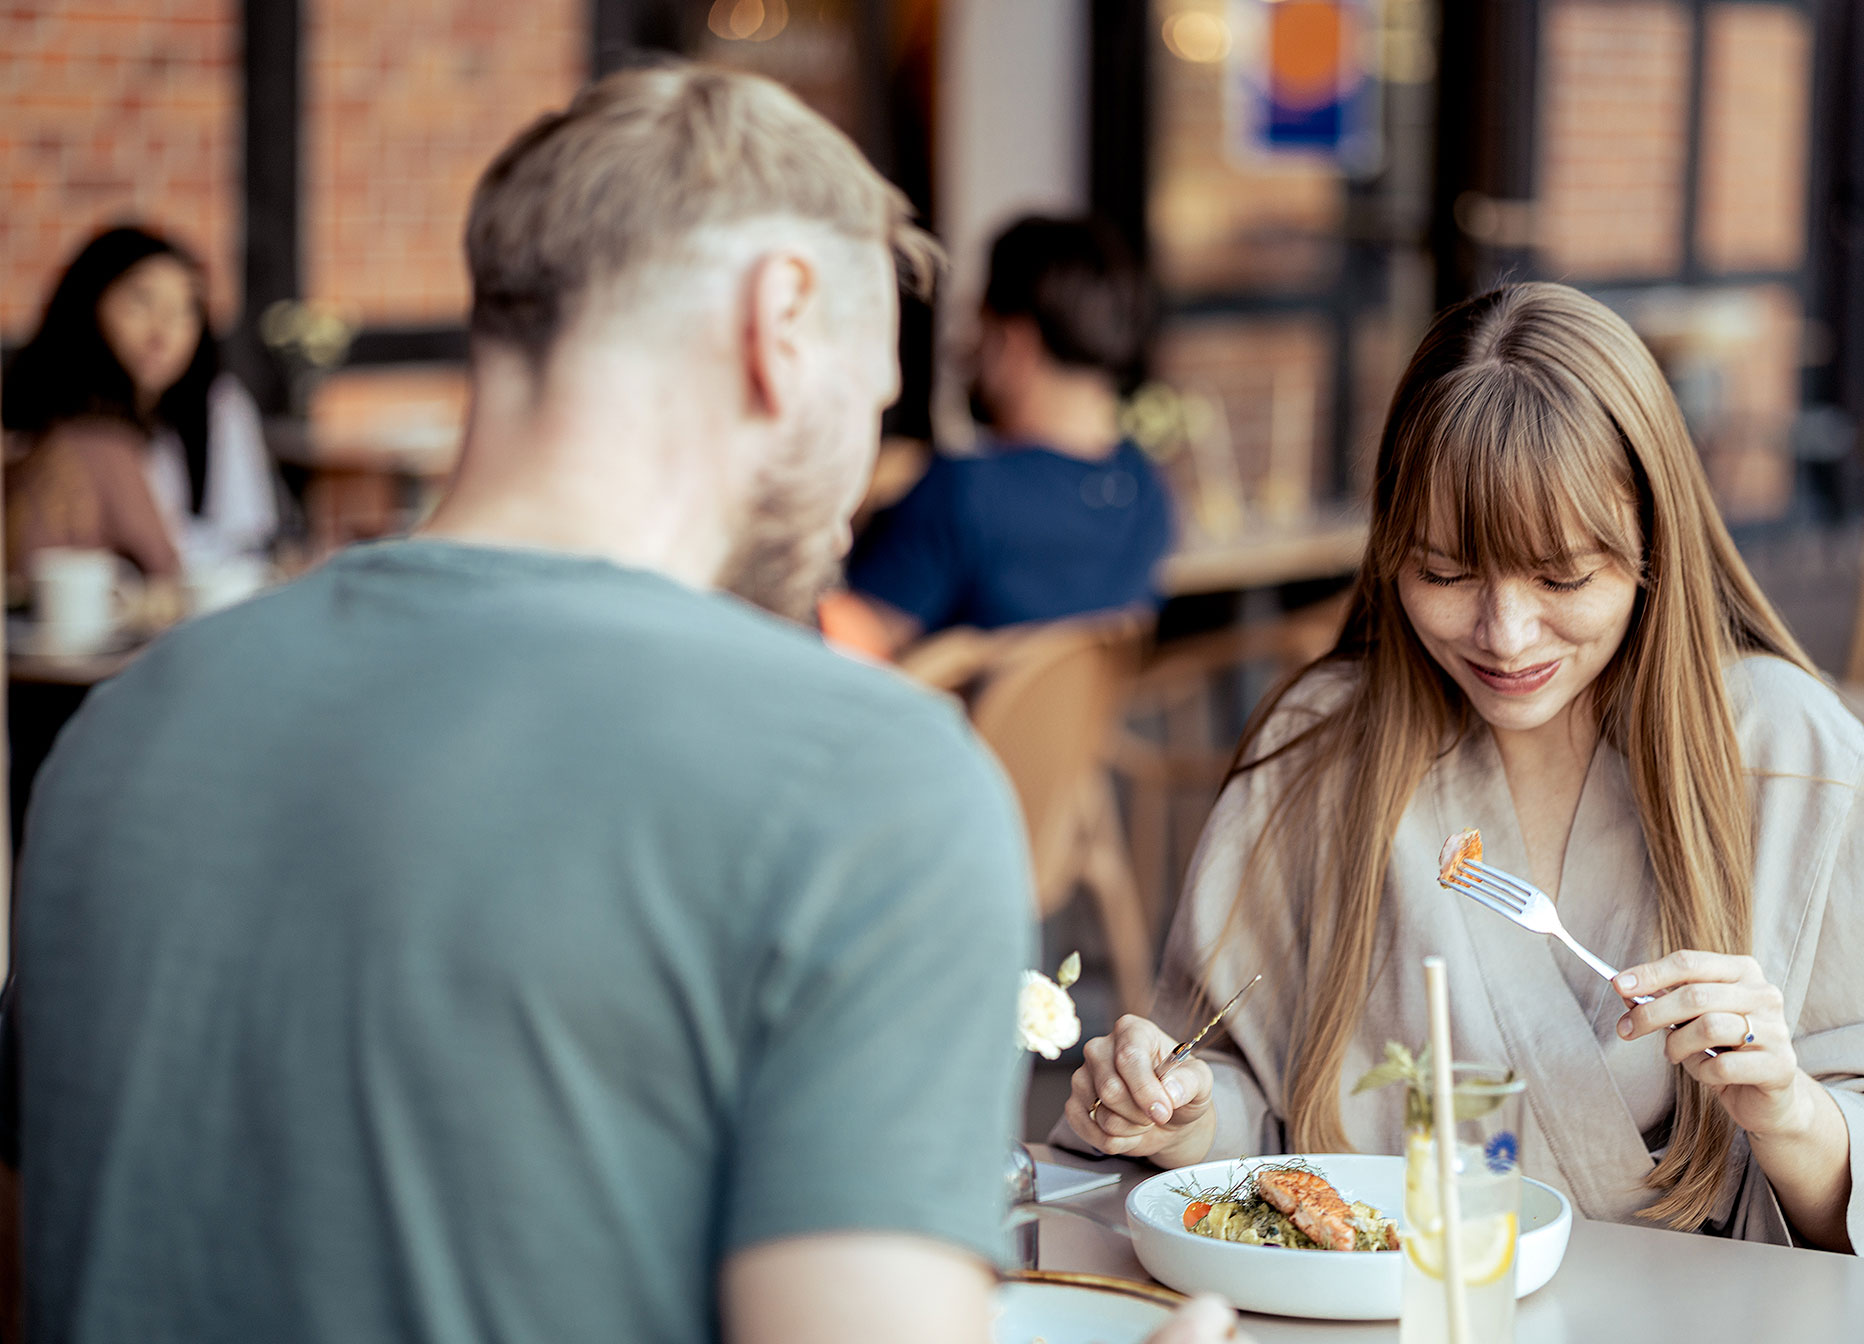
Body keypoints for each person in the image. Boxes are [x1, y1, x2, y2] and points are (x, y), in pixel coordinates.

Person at [2, 65, 1240, 1344]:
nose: (863, 464)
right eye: (876, 397)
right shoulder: (864, 781)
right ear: (781, 317)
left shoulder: (120, 730)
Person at [1061, 282, 1864, 1271]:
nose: (1506, 635)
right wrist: (1177, 1113)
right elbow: (1234, 1101)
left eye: (1563, 578)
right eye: (1443, 573)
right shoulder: (1324, 751)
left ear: (1653, 544)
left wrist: (1789, 1112)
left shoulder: (1784, 750)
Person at [829, 215, 1173, 659]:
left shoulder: (964, 492)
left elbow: (845, 645)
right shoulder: (1145, 489)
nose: (964, 347)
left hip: (936, 706)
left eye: (977, 323)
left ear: (1013, 343)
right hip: (1081, 710)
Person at [2, 225, 278, 576]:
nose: (163, 333)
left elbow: (247, 540)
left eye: (184, 309)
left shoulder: (217, 408)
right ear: (88, 302)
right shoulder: (71, 435)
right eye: (141, 302)